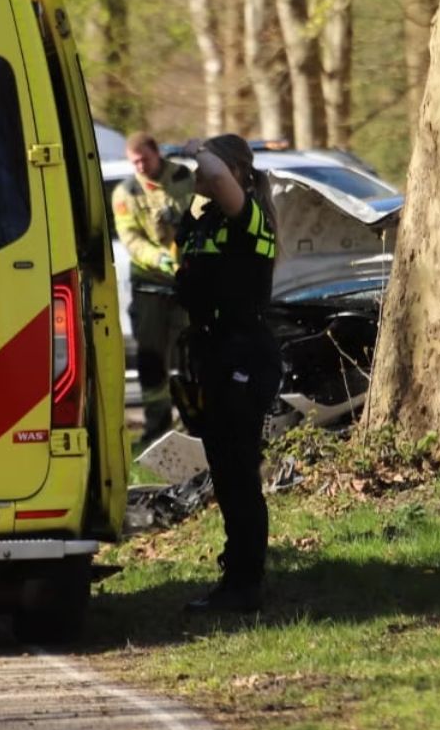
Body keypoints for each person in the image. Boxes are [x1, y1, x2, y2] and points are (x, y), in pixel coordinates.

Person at [172, 134, 281, 613]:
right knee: (226, 475)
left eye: (208, 167)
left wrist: (199, 148)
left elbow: (215, 173)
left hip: (244, 355)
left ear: (236, 171)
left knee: (240, 475)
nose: (198, 174)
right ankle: (234, 577)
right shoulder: (207, 218)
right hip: (212, 353)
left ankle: (245, 583)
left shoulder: (249, 217)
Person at [112, 131, 194, 448]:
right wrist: (158, 258)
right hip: (150, 285)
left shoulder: (184, 178)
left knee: (191, 356)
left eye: (144, 159)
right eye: (134, 162)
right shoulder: (127, 193)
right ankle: (157, 428)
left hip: (188, 283)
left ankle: (194, 421)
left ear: (157, 153)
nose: (140, 166)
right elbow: (130, 238)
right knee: (152, 360)